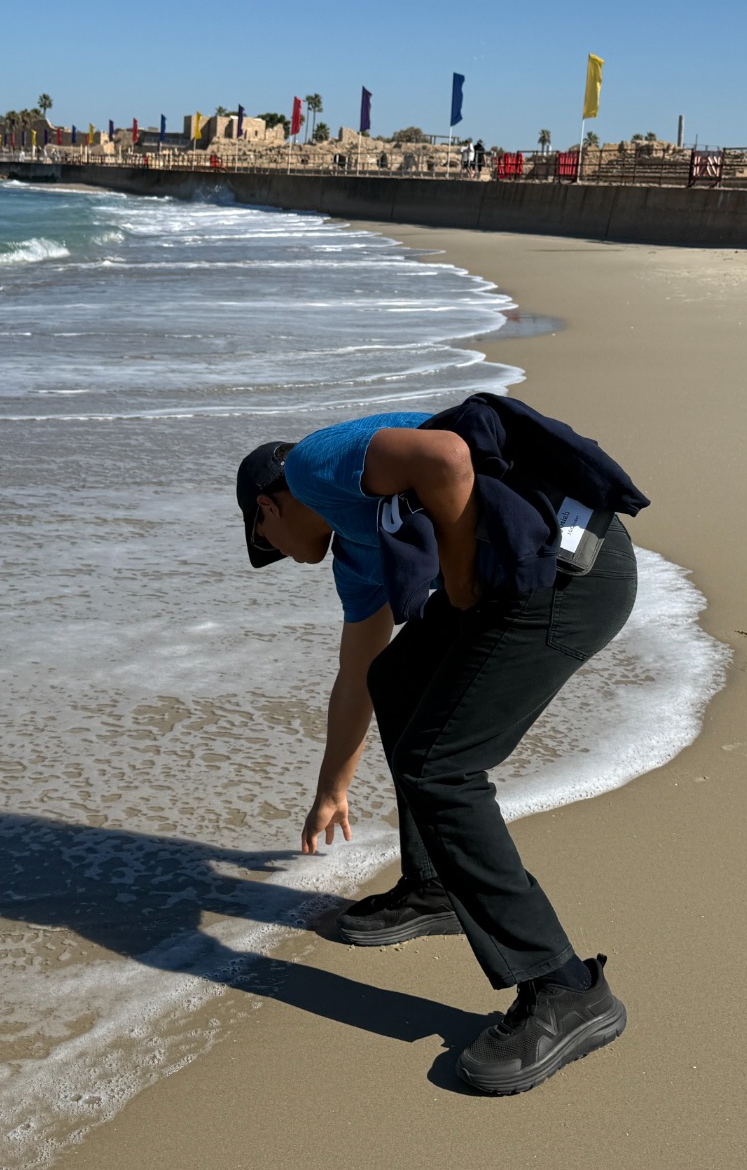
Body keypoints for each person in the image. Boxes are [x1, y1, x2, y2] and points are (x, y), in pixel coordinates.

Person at [235, 404, 640, 1094]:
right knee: (398, 680)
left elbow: (447, 457)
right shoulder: (358, 550)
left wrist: (455, 576)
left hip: (568, 576)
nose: (275, 551)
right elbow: (360, 677)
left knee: (439, 767)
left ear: (268, 505)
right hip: (531, 573)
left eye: (262, 535)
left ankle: (565, 986)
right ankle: (433, 888)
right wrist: (333, 787)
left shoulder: (310, 466)